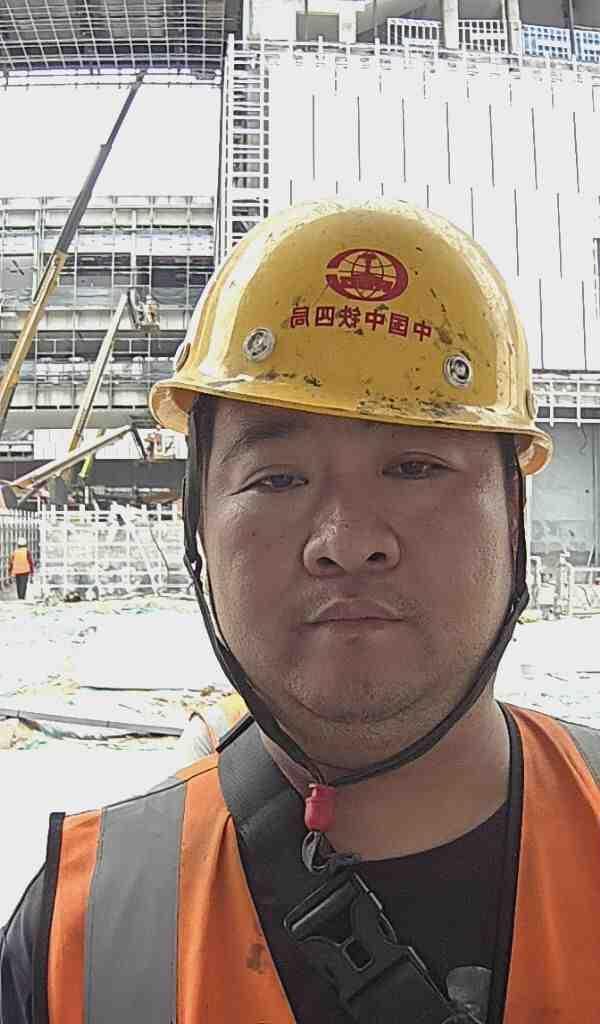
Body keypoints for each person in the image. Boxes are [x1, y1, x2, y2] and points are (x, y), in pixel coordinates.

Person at [2, 199, 599, 1023]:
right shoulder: (77, 935)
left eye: (416, 467)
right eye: (277, 479)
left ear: (514, 512)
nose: (347, 543)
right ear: (198, 525)